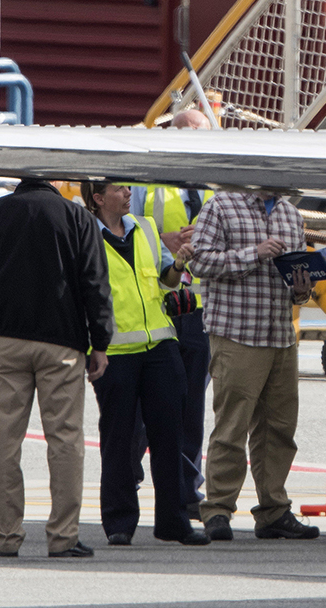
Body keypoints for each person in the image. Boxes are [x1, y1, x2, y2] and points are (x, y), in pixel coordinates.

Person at [0, 177, 114, 559]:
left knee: (4, 443)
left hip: (4, 339)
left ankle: (6, 536)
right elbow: (95, 282)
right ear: (54, 180)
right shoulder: (77, 217)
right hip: (61, 342)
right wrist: (100, 341)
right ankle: (63, 536)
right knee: (65, 440)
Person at [187, 190, 320, 542]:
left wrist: (302, 289)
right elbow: (199, 262)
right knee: (232, 426)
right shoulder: (221, 206)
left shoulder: (290, 214)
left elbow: (294, 280)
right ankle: (218, 509)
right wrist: (254, 253)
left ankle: (274, 510)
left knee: (279, 429)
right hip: (237, 333)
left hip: (280, 335)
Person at [82, 180, 209, 547]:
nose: (127, 193)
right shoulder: (86, 237)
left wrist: (179, 265)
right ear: (98, 198)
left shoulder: (146, 229)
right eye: (119, 189)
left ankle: (174, 521)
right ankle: (119, 522)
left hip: (160, 345)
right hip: (116, 351)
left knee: (169, 436)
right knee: (119, 440)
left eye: (127, 188)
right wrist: (94, 346)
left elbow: (167, 281)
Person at [129, 111, 214, 519]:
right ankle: (128, 479)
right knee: (142, 407)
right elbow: (121, 227)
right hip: (157, 306)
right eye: (188, 135)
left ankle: (186, 490)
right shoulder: (148, 180)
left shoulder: (216, 182)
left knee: (191, 407)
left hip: (200, 307)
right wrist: (161, 239)